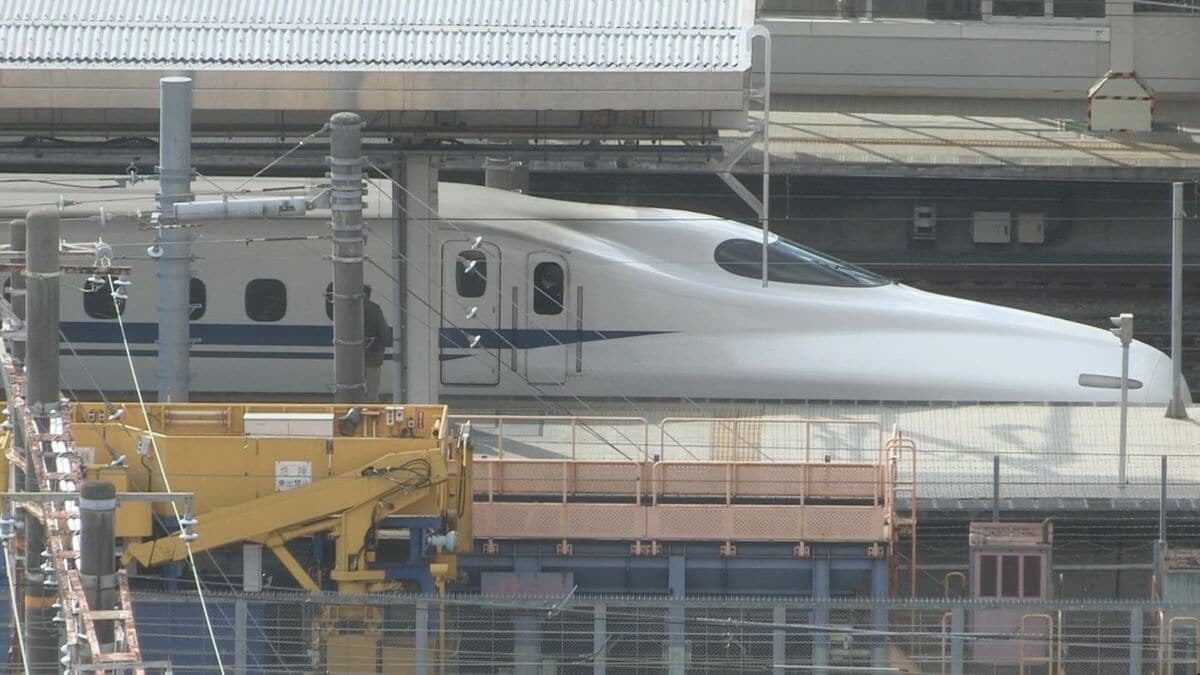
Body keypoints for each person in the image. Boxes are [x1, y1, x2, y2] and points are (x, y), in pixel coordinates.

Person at [362, 285, 390, 401]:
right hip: (373, 356)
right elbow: (384, 333)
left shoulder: (348, 309)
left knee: (353, 388)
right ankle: (371, 410)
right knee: (372, 390)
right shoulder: (375, 310)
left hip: (352, 358)